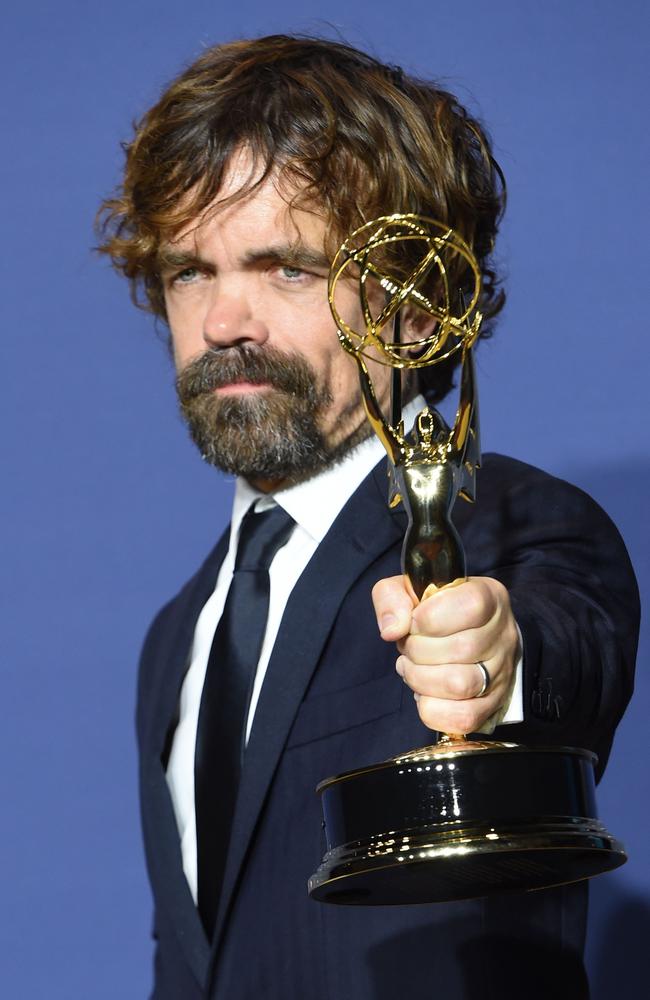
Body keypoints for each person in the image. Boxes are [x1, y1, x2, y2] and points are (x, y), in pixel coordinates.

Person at [97, 35, 639, 1000]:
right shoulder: (175, 638)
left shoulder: (515, 526)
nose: (226, 321)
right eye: (190, 272)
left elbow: (557, 647)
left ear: (421, 307)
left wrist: (493, 664)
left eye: (287, 269)